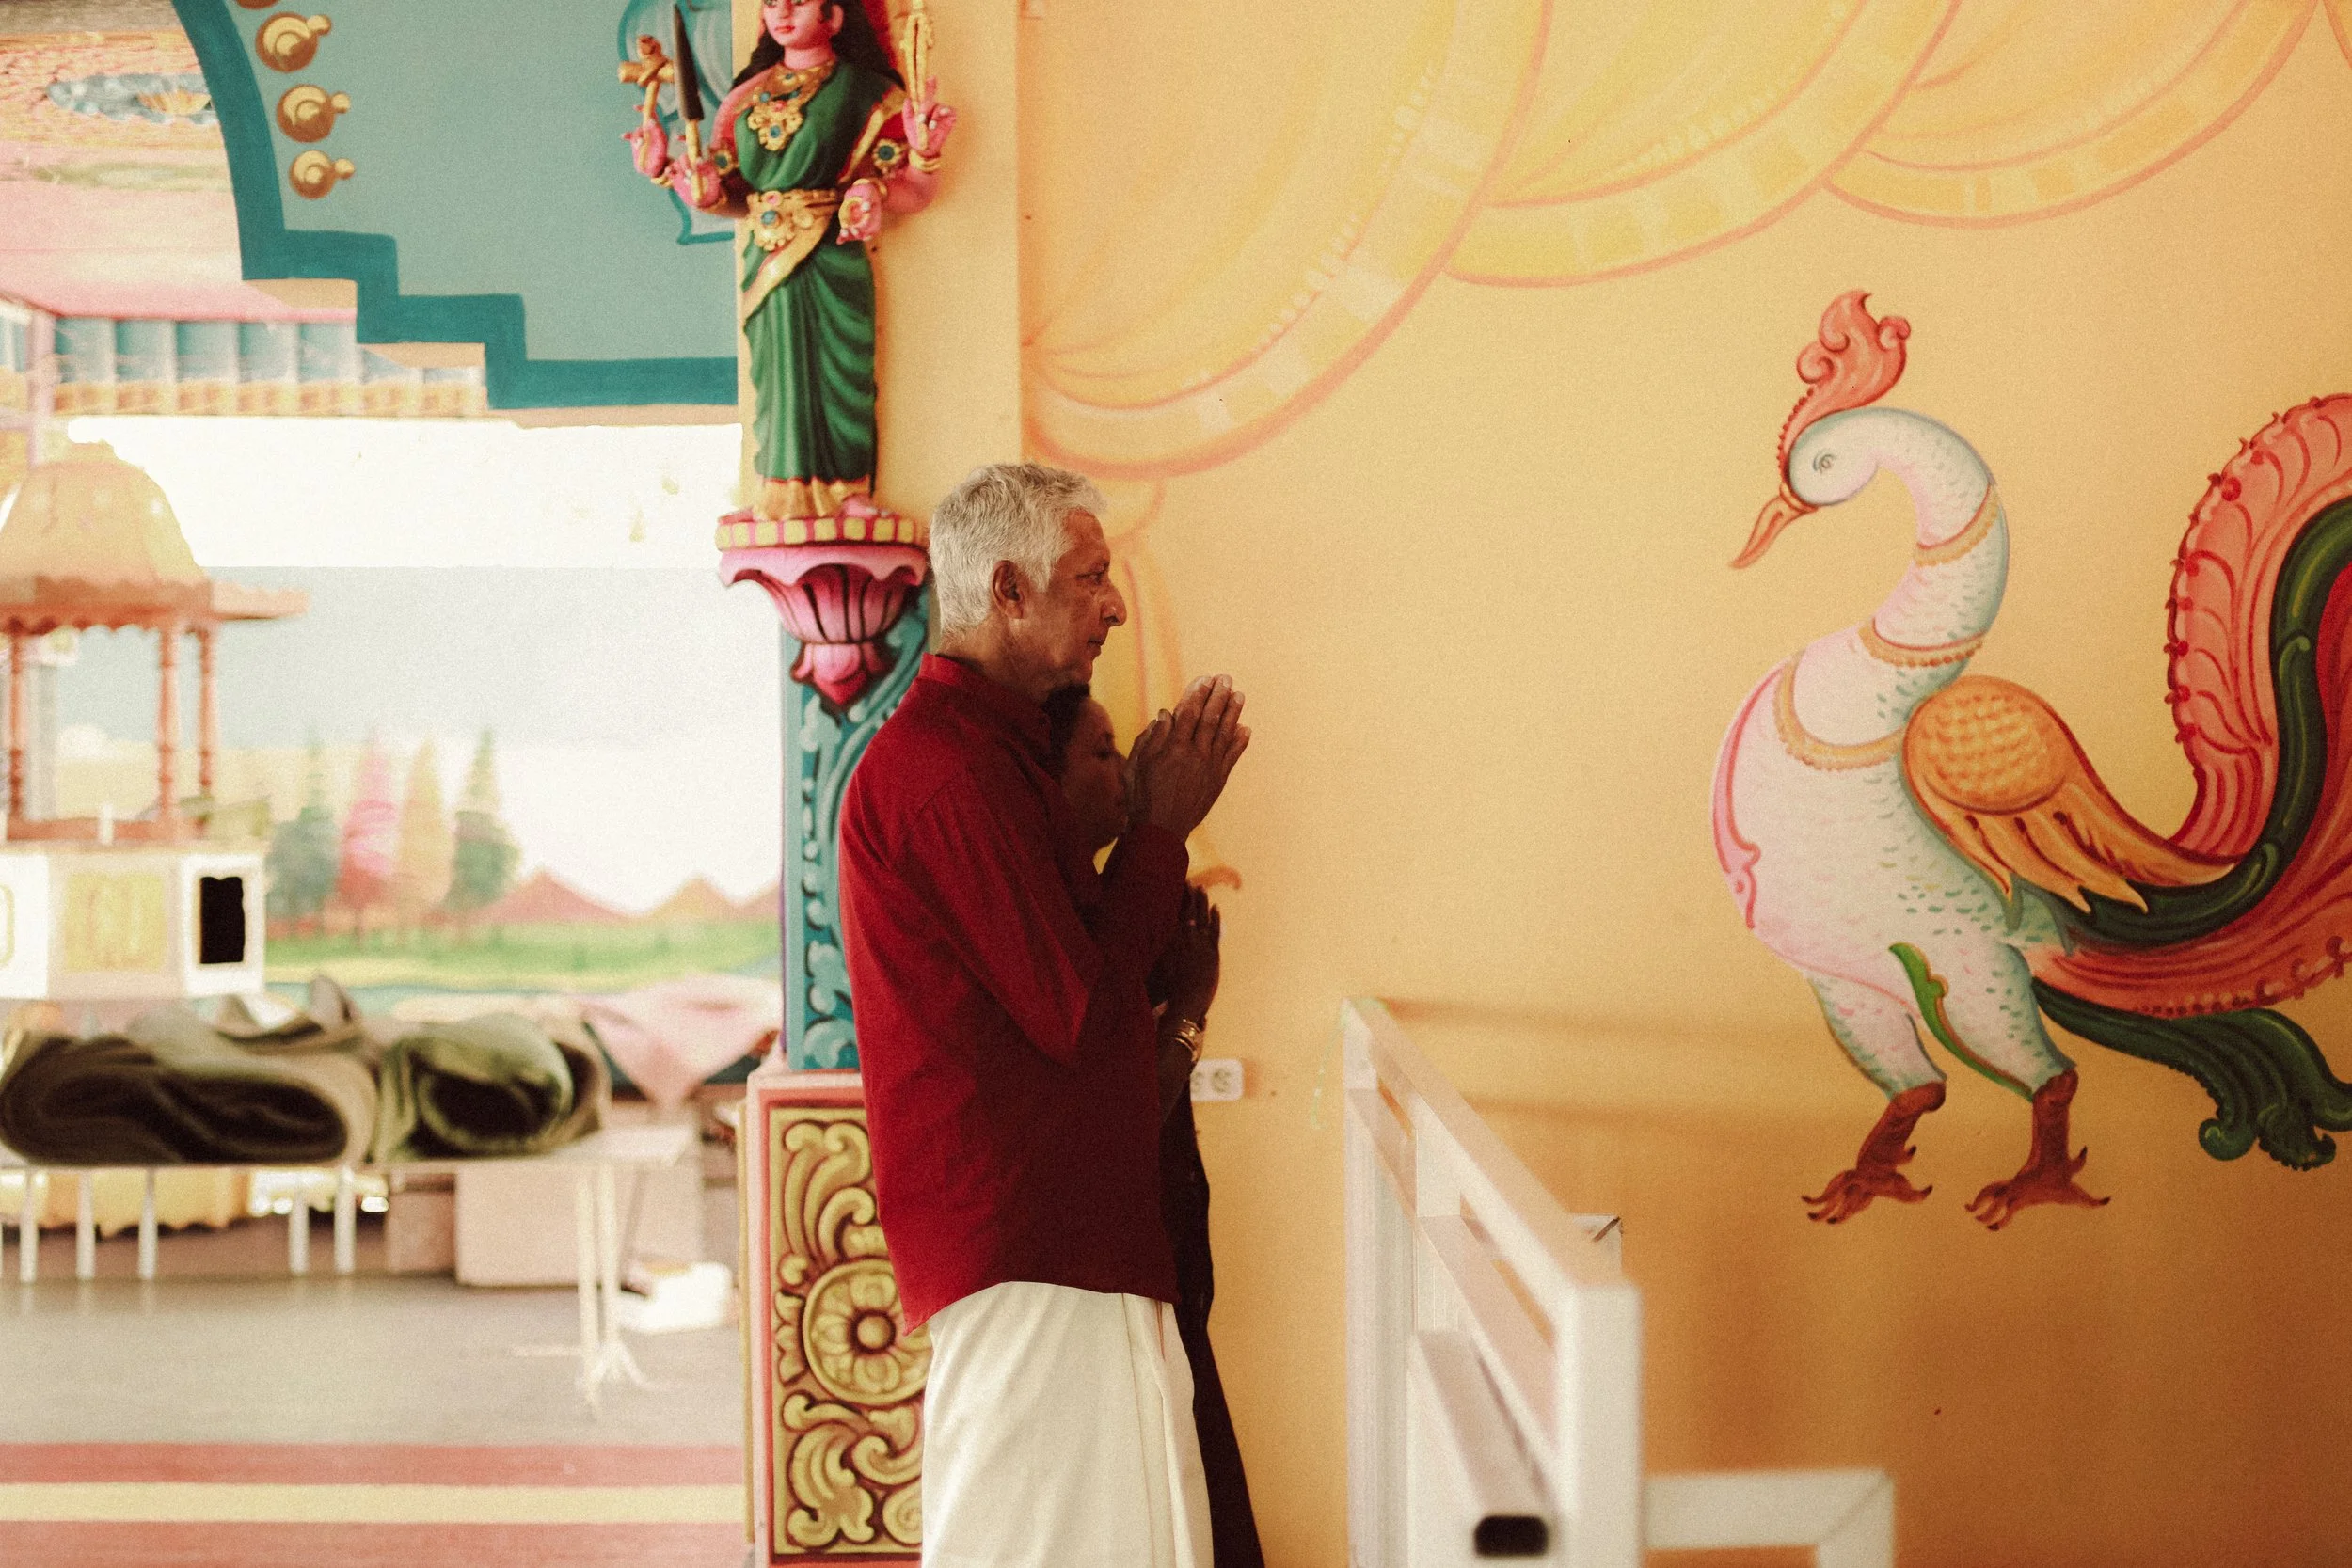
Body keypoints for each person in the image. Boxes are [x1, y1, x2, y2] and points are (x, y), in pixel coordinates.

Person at [839, 461, 1248, 1568]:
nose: (1114, 603)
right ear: (1009, 589)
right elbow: (1077, 1013)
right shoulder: (944, 771)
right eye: (1090, 577)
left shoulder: (1001, 755)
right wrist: (1159, 828)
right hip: (1024, 1243)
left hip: (1064, 1236)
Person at [1045, 684, 1266, 1568]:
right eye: (1102, 754)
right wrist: (1190, 1009)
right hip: (1100, 1286)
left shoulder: (1109, 900)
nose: (1128, 774)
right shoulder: (1068, 920)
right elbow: (1122, 1101)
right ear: (1043, 784)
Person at [630, 0, 954, 535]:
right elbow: (727, 193)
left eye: (798, 1)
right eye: (771, 3)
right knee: (776, 374)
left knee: (839, 372)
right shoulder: (745, 98)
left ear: (833, 17)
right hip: (766, 255)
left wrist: (920, 159)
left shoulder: (864, 92)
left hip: (831, 250)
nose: (782, 12)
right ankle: (778, 494)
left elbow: (912, 190)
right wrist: (672, 174)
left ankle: (846, 492)